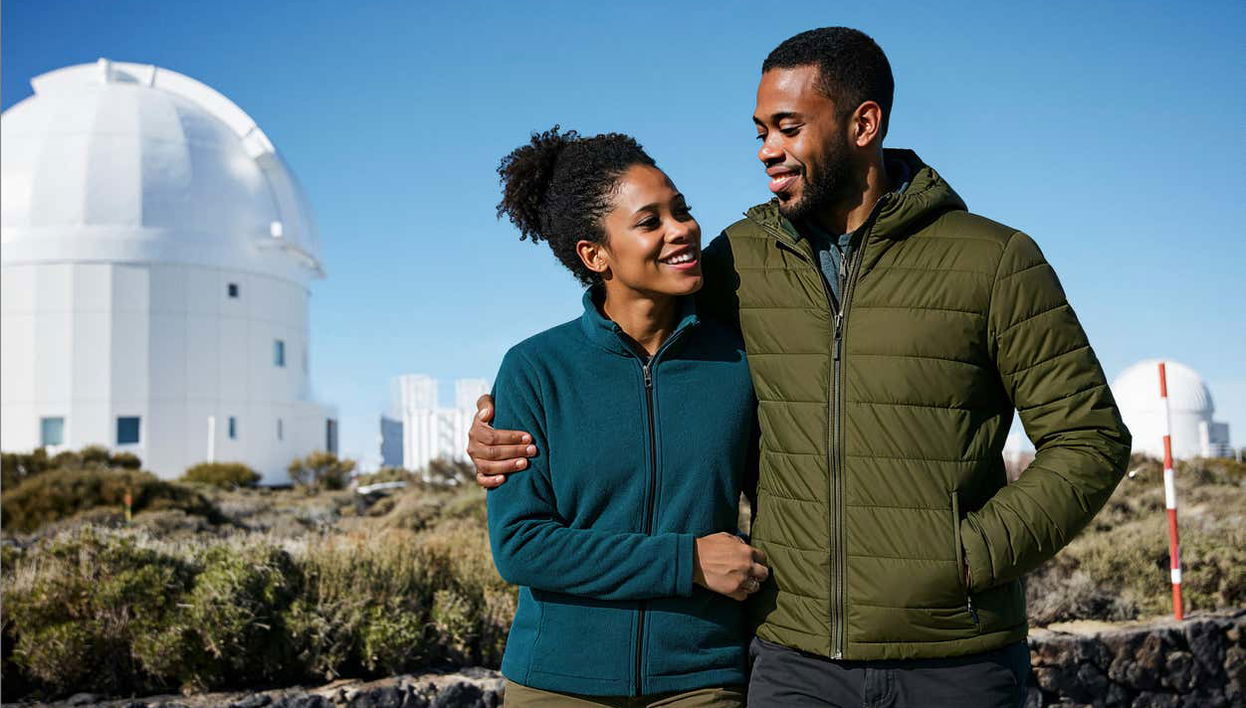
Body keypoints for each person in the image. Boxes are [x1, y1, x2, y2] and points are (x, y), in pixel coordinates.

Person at [470, 28, 1131, 708]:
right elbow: (628, 334)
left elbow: (1090, 439)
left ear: (864, 124)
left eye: (787, 128)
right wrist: (494, 432)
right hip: (793, 660)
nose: (766, 151)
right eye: (759, 131)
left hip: (956, 657)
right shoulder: (737, 263)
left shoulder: (993, 262)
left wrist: (969, 557)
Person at [485, 127, 768, 708]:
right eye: (650, 222)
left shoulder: (738, 363)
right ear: (595, 255)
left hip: (701, 678)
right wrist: (684, 561)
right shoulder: (536, 368)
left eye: (682, 210)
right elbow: (521, 545)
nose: (682, 230)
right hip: (556, 683)